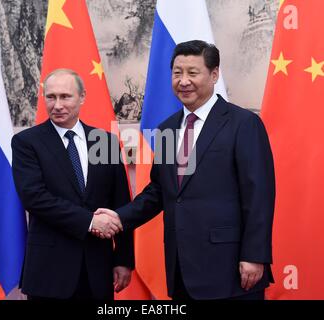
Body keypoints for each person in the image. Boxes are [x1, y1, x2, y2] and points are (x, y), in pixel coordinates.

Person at [93, 40, 275, 300]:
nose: (184, 81)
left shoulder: (243, 124)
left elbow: (259, 195)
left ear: (214, 74)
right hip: (182, 268)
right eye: (177, 73)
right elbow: (160, 191)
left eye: (192, 72)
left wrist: (255, 255)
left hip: (232, 268)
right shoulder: (168, 128)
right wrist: (119, 218)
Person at [11, 68, 134, 300]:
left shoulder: (105, 142)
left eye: (65, 96)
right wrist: (90, 221)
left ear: (82, 97)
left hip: (98, 268)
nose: (57, 105)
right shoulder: (26, 143)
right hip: (50, 272)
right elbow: (35, 198)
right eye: (51, 97)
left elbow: (121, 202)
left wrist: (124, 259)